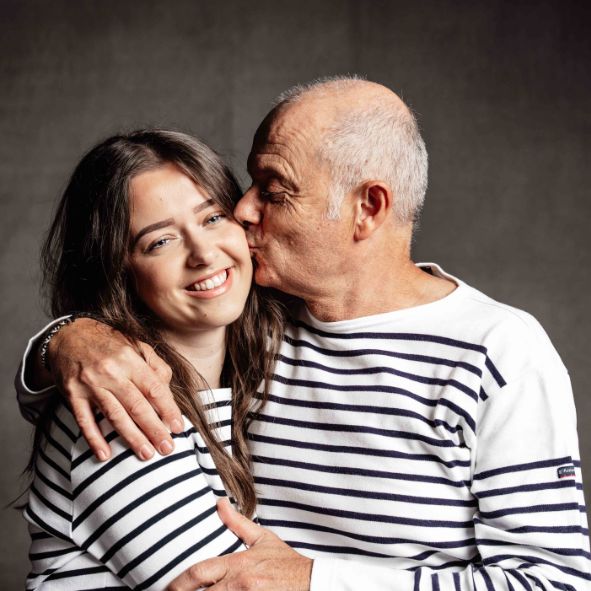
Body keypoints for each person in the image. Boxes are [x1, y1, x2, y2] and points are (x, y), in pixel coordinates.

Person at [17, 78, 590, 591]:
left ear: (368, 208)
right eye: (161, 240)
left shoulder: (497, 353)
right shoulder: (253, 325)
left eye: (274, 189)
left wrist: (316, 581)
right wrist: (69, 341)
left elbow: (555, 582)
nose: (242, 212)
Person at [19, 129, 284, 590]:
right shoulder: (120, 404)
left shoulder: (252, 374)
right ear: (117, 274)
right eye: (160, 242)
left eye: (213, 218)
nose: (203, 254)